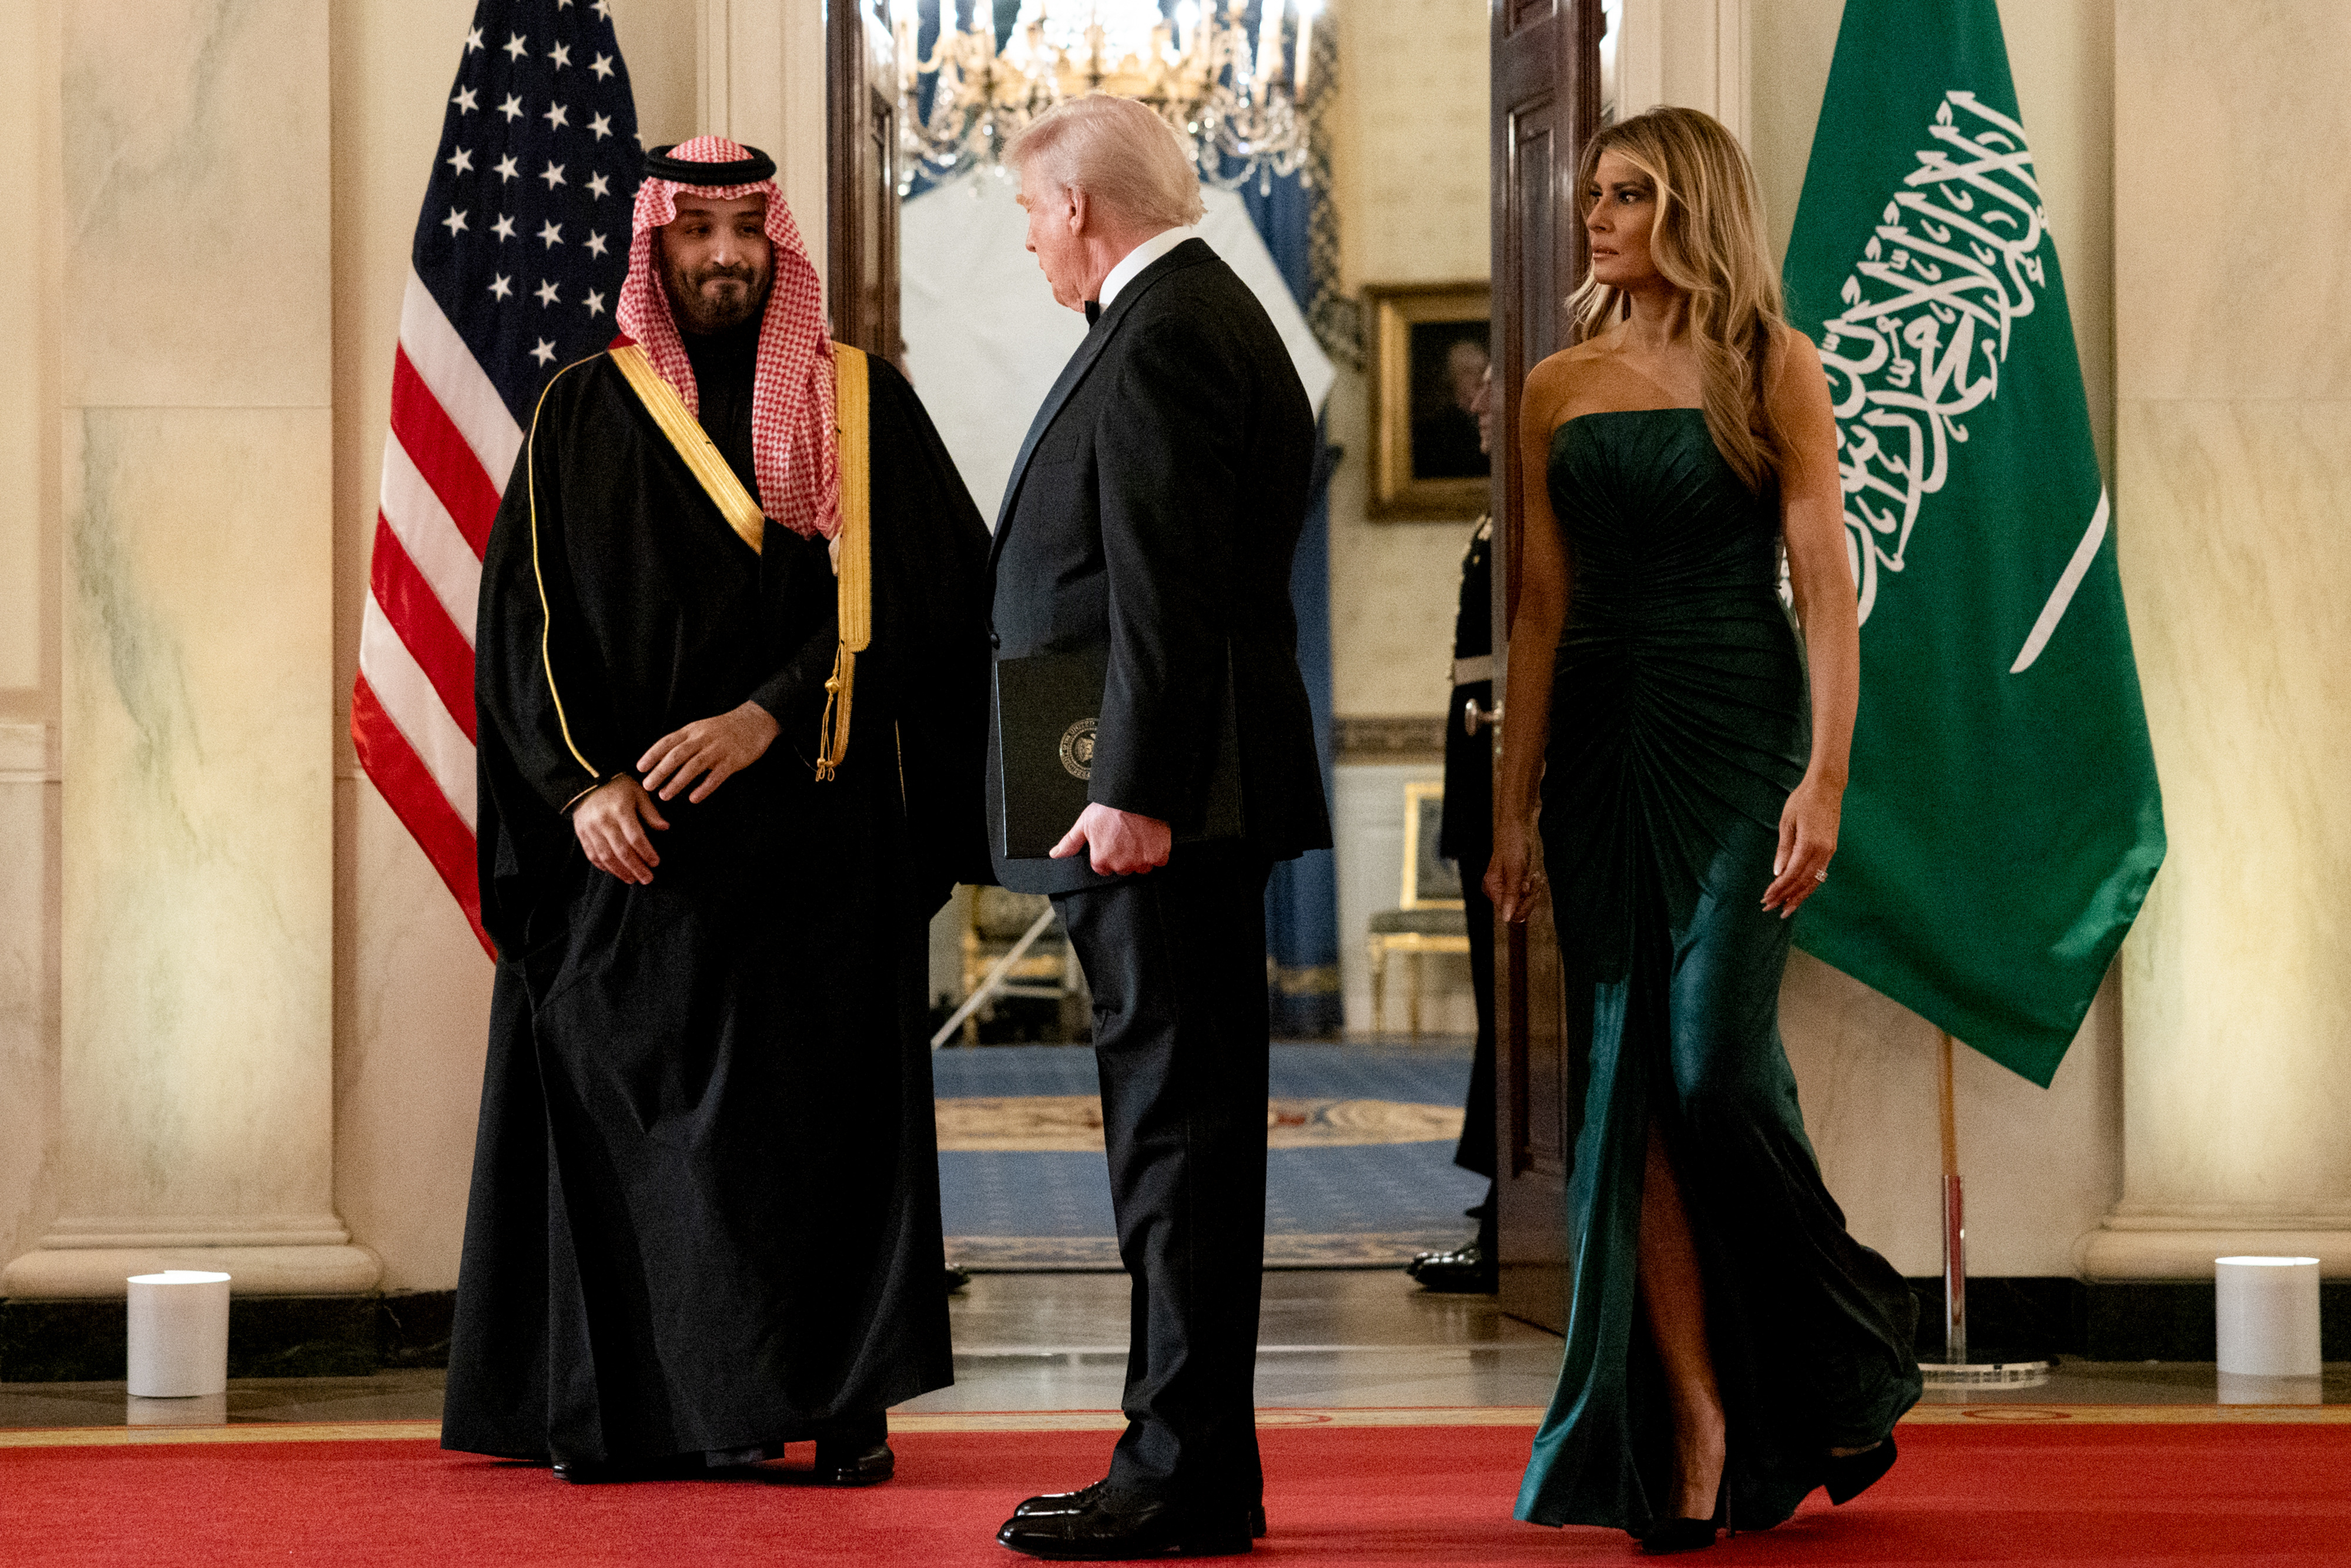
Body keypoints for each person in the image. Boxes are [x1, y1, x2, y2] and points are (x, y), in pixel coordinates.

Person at [444, 137, 993, 1486]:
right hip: (643, 854)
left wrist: (770, 712)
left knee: (818, 1140)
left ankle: (834, 1401)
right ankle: (665, 1411)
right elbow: (520, 634)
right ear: (655, 247)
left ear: (779, 243)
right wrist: (581, 791)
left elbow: (932, 604)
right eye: (698, 232)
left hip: (817, 842)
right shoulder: (580, 409)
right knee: (658, 1137)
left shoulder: (860, 405)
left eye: (749, 229)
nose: (726, 254)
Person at [1485, 108, 1920, 1552]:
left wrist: (1828, 777)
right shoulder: (1553, 387)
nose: (1594, 218)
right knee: (1632, 1090)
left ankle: (1847, 1345)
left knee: (1707, 1059)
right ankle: (1691, 1418)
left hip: (1738, 737)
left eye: (1624, 195)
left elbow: (1824, 587)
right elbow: (1537, 610)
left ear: (1691, 208)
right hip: (1598, 754)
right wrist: (1509, 812)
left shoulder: (1768, 367)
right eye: (1592, 194)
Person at [983, 94, 1327, 1560]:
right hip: (1160, 798)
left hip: (1159, 811)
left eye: (1028, 214)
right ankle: (1190, 1461)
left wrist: (1130, 790)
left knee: (1175, 1141)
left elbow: (1163, 590)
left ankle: (1178, 1470)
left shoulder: (1170, 326)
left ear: (1079, 207)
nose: (1027, 240)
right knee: (1172, 1133)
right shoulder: (1185, 313)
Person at [1409, 365, 1500, 1294]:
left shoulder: (1529, 514)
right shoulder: (1496, 514)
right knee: (1493, 997)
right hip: (1479, 772)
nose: (1476, 406)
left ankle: (1516, 1211)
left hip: (1503, 770)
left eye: (1493, 391)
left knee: (1512, 1006)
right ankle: (1502, 1199)